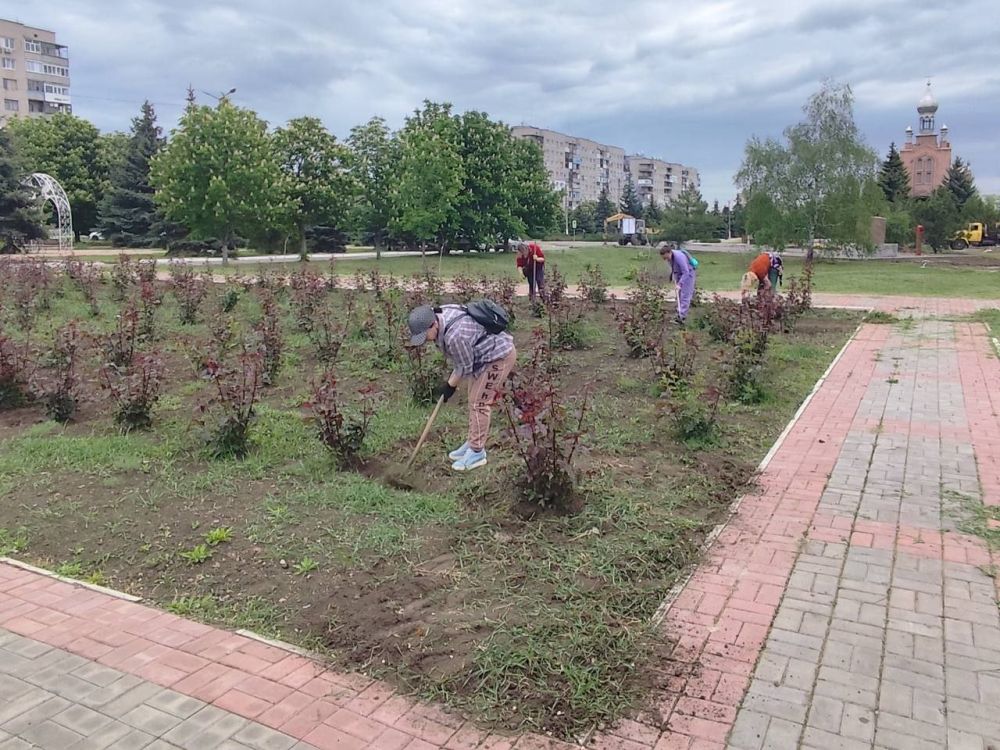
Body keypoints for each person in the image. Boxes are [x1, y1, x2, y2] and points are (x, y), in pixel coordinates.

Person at [407, 304, 516, 472]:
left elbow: (464, 367)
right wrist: (450, 385)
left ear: (433, 325)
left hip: (498, 356)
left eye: (425, 335)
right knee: (473, 398)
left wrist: (449, 387)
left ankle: (477, 453)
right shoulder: (440, 314)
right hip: (482, 357)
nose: (425, 340)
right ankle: (473, 442)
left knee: (479, 402)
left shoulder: (454, 336)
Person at [659, 242, 697, 324]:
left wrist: (680, 284)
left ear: (669, 252)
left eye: (666, 257)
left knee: (685, 295)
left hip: (688, 274)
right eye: (664, 259)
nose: (666, 260)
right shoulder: (670, 258)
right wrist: (674, 278)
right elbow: (674, 268)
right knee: (679, 294)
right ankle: (679, 313)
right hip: (679, 274)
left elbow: (686, 272)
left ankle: (682, 317)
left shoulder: (680, 257)